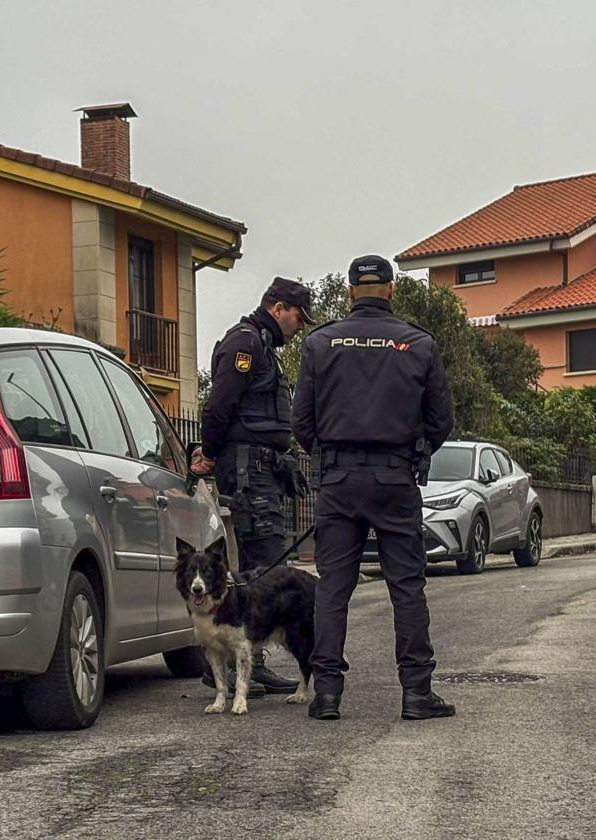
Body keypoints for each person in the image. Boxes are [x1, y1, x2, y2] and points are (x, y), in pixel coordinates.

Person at [292, 255, 456, 722]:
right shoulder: (419, 344)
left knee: (333, 590)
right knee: (406, 587)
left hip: (339, 482)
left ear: (348, 293)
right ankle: (417, 693)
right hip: (395, 478)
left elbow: (301, 420)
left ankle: (326, 695)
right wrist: (413, 452)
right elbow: (441, 419)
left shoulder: (320, 343)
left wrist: (329, 455)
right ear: (390, 290)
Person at [191, 276, 315, 695]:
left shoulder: (265, 348)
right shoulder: (245, 344)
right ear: (278, 307)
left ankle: (248, 658)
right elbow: (221, 403)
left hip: (262, 469)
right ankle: (232, 664)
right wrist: (208, 452)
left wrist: (284, 457)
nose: (300, 326)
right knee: (261, 565)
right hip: (247, 472)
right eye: (298, 317)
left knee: (263, 564)